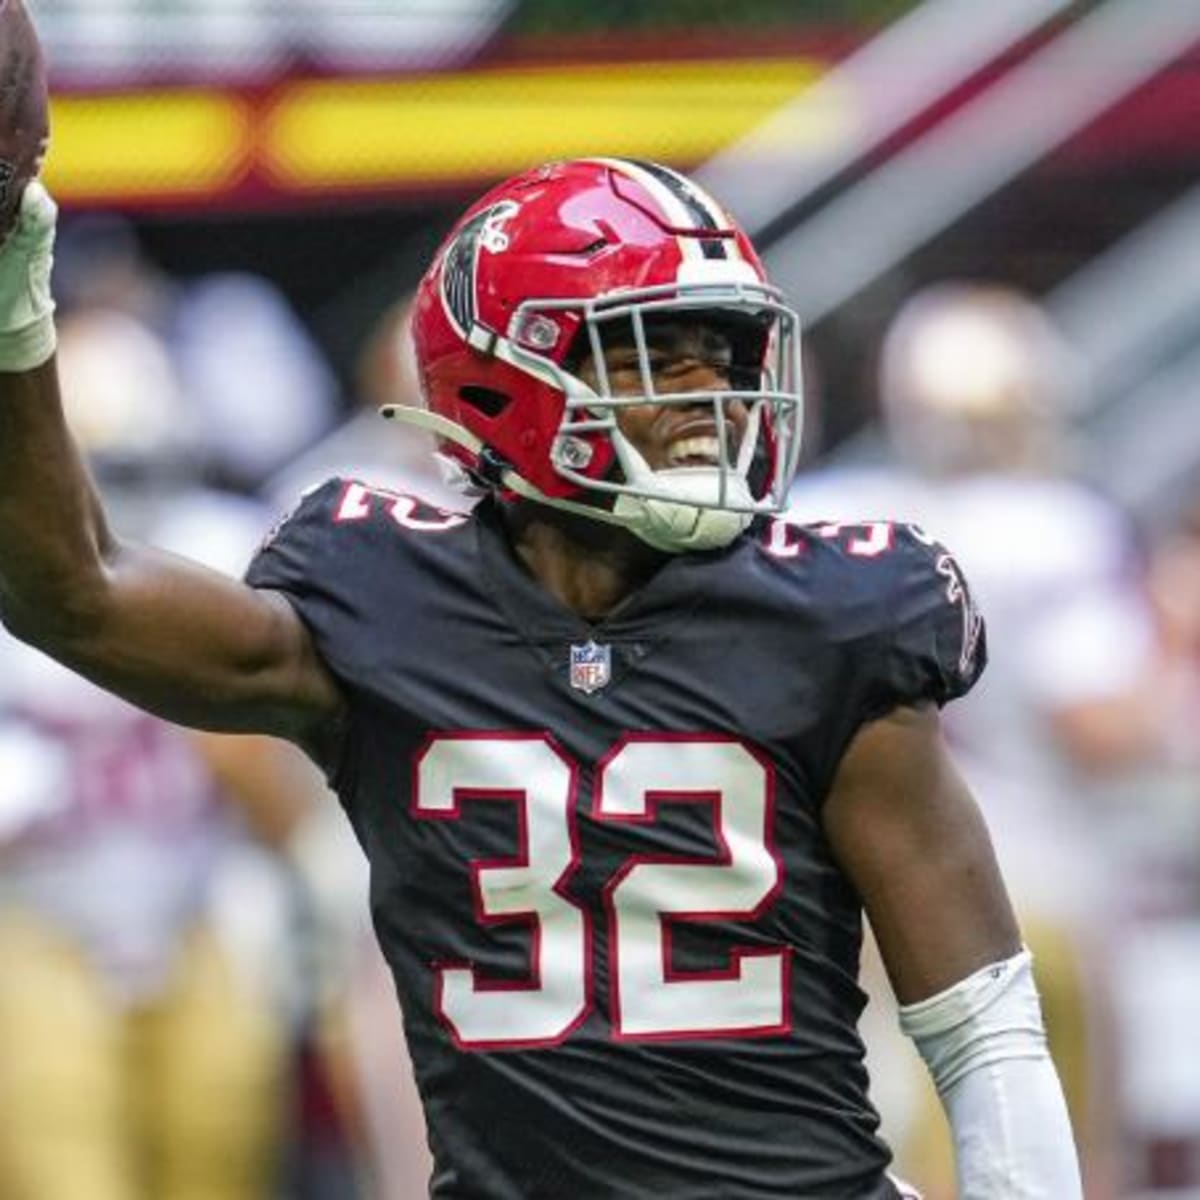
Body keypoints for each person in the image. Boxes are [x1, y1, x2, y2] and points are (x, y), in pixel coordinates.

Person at [0, 158, 1081, 1198]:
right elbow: (73, 592)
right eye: (658, 353)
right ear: (498, 377)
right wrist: (14, 280)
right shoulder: (384, 605)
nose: (715, 395)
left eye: (728, 352)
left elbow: (982, 1016)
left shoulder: (829, 621)